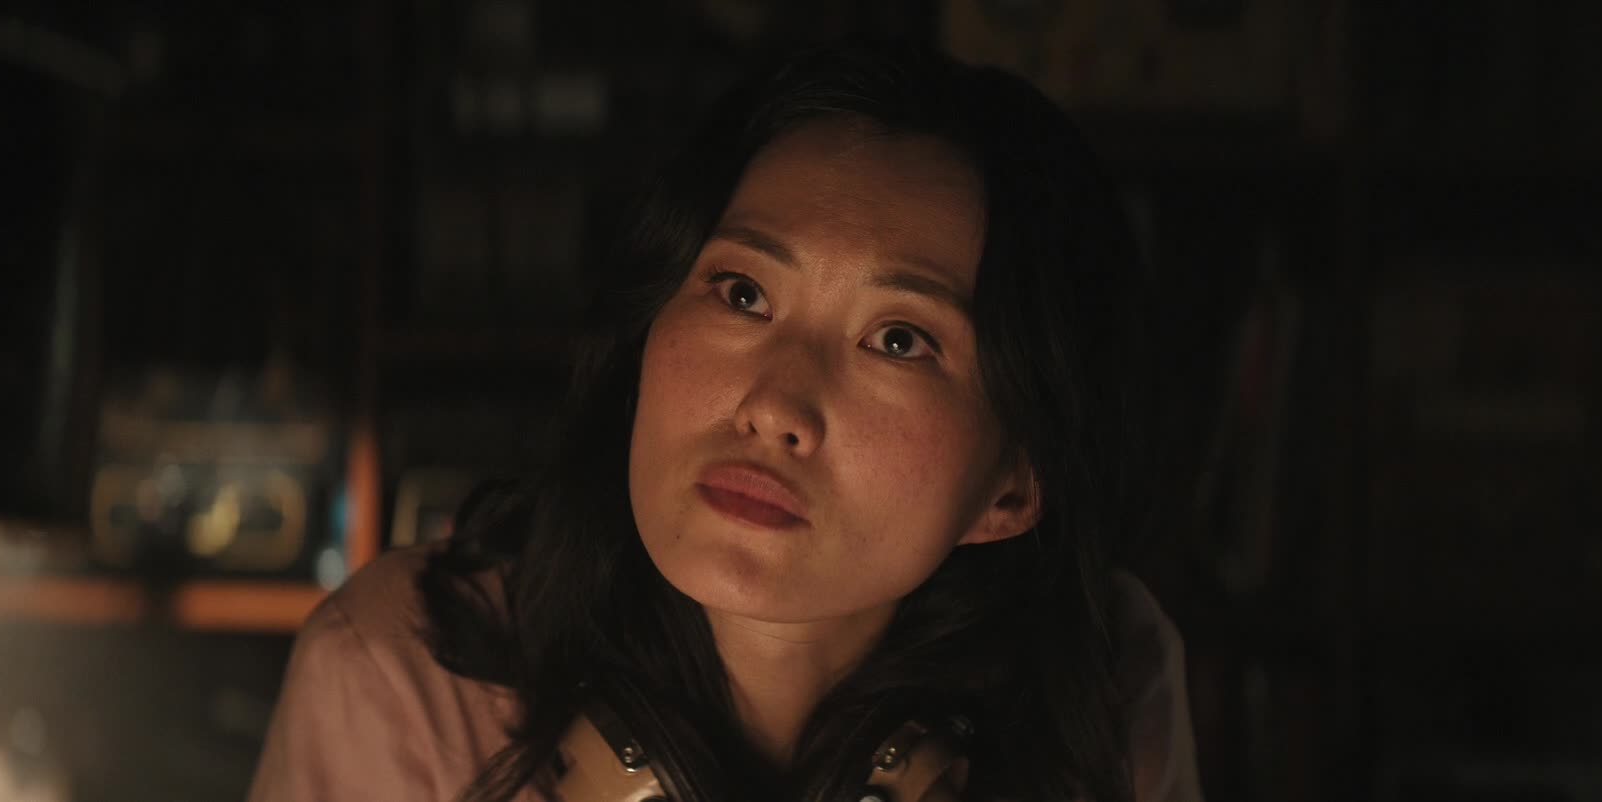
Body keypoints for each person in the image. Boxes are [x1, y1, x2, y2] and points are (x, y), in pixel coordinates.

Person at [248, 44, 1202, 802]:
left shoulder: (1100, 684)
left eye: (899, 341)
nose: (775, 406)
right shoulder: (397, 676)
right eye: (742, 293)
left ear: (1014, 486)